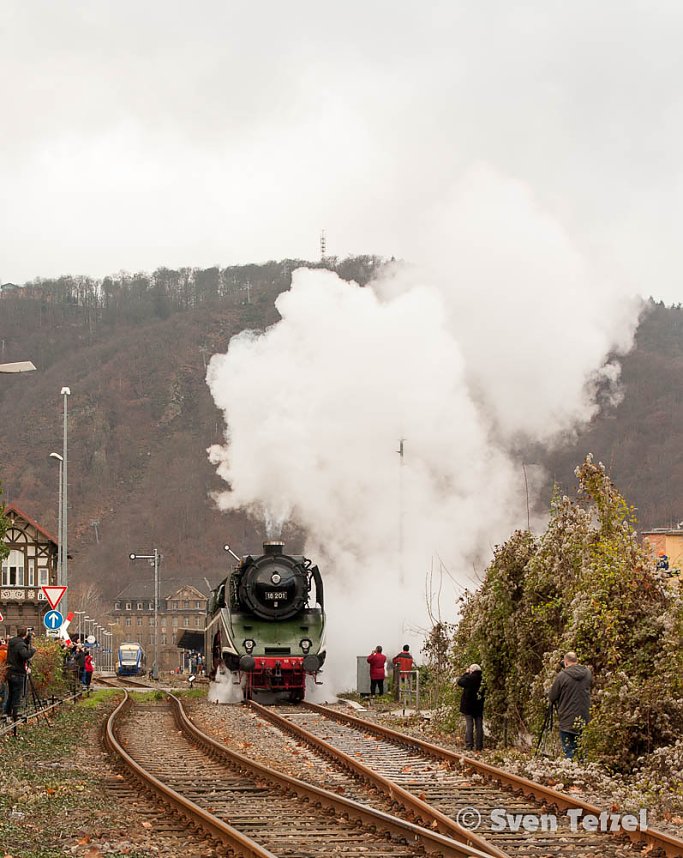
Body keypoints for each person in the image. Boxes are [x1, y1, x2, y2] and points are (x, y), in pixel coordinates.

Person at [548, 651, 592, 760]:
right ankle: (583, 771)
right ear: (576, 661)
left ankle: (569, 772)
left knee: (569, 751)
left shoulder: (562, 675)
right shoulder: (587, 673)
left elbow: (552, 696)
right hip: (584, 718)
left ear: (566, 662)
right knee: (582, 751)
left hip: (567, 719)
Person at [4, 627, 36, 723]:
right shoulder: (20, 644)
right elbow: (24, 655)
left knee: (11, 694)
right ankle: (15, 715)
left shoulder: (13, 642)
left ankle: (7, 714)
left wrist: (27, 639)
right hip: (18, 672)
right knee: (17, 695)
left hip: (10, 671)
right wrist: (33, 650)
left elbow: (20, 647)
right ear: (25, 633)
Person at [457, 663, 485, 752]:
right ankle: (479, 746)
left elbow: (460, 682)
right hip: (479, 705)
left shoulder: (469, 678)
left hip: (468, 705)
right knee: (479, 725)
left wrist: (466, 673)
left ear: (471, 670)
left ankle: (469, 745)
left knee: (469, 725)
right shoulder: (482, 679)